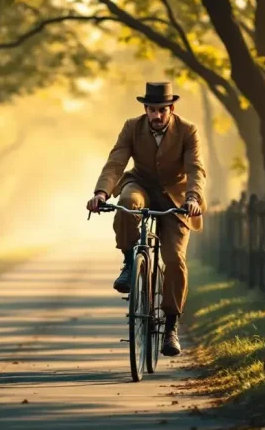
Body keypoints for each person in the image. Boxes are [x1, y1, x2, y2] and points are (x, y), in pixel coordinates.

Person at [86, 82, 206, 356]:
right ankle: (129, 263)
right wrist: (101, 193)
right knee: (127, 204)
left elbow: (195, 168)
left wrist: (193, 198)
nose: (156, 115)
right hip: (139, 185)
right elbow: (116, 161)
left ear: (171, 109)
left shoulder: (188, 131)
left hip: (177, 198)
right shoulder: (132, 127)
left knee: (175, 260)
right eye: (151, 110)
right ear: (145, 109)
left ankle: (172, 328)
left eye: (162, 110)